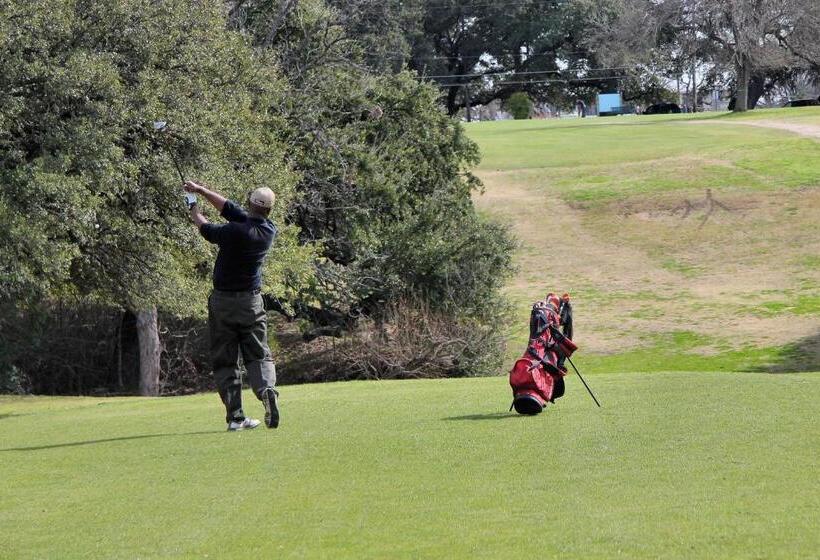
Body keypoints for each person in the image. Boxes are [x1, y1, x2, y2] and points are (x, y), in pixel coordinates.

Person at [184, 180, 280, 431]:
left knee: (226, 360)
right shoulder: (269, 229)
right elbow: (230, 208)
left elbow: (207, 230)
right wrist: (202, 190)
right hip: (251, 302)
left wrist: (194, 209)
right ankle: (266, 389)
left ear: (251, 203)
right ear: (269, 210)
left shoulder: (234, 232)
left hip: (224, 303)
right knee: (258, 354)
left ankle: (236, 418)